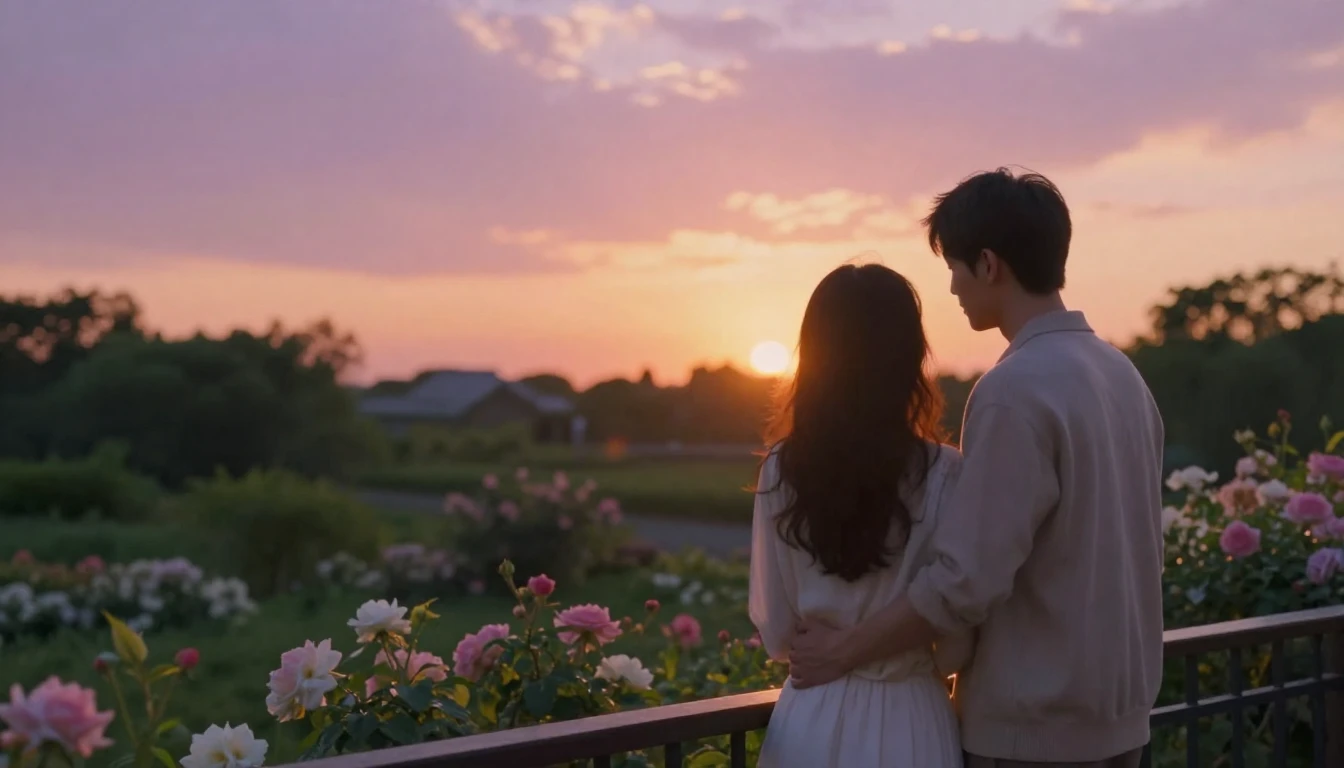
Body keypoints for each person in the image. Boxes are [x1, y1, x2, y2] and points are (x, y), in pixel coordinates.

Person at [786, 168, 1166, 768]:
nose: (955, 290)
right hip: (1121, 724)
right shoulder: (1123, 376)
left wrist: (843, 650)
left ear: (988, 264)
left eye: (956, 269)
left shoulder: (1013, 390)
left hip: (1031, 732)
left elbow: (965, 581)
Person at [749, 262, 970, 768]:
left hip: (812, 715)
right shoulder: (945, 473)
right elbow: (957, 643)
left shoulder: (781, 468)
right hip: (912, 716)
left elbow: (779, 634)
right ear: (910, 357)